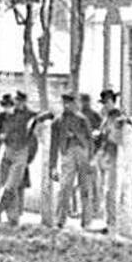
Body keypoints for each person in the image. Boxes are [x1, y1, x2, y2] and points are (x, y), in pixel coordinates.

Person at [0, 91, 52, 225]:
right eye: (15, 101)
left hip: (21, 153)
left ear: (23, 102)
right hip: (6, 152)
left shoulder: (27, 115)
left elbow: (39, 117)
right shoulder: (5, 116)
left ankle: (1, 211)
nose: (16, 104)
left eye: (19, 101)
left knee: (12, 186)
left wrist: (48, 114)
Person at [50, 93, 95, 230]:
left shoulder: (82, 119)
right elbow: (54, 144)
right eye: (64, 103)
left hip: (82, 152)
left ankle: (86, 221)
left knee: (85, 188)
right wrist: (52, 166)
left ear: (74, 104)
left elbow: (90, 140)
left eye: (69, 103)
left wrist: (91, 159)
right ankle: (59, 220)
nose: (66, 106)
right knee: (64, 187)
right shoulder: (58, 121)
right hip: (67, 154)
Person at [96, 90, 132, 239]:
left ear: (112, 101)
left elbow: (120, 138)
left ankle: (116, 224)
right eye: (103, 103)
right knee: (106, 192)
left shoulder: (119, 119)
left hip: (117, 157)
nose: (104, 106)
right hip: (106, 156)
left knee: (113, 191)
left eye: (106, 102)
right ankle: (109, 222)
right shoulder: (106, 118)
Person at [79, 93, 103, 218]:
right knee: (79, 182)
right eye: (82, 101)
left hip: (91, 152)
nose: (84, 104)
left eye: (86, 101)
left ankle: (95, 208)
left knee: (93, 182)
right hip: (79, 152)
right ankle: (80, 208)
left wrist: (96, 150)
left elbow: (101, 134)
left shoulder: (95, 116)